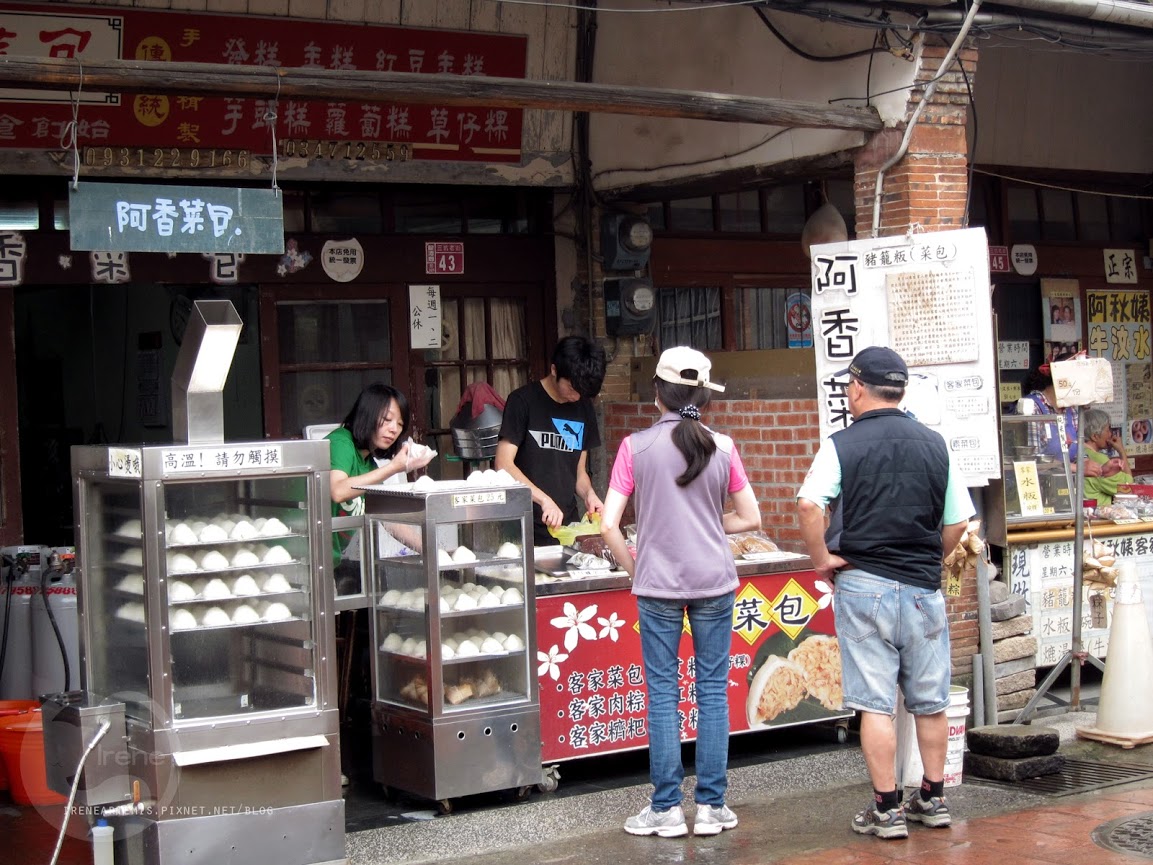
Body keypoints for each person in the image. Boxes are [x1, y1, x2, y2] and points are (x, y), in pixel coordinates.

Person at [796, 346, 974, 841]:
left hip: (863, 585)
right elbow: (958, 521)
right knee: (930, 701)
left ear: (857, 388)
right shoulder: (935, 444)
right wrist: (929, 558)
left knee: (875, 704)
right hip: (922, 589)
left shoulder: (841, 444)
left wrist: (821, 559)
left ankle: (887, 810)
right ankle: (933, 799)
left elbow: (809, 506)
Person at [599, 346, 761, 839]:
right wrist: (707, 521)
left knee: (663, 692)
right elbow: (751, 518)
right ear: (703, 397)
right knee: (712, 690)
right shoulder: (724, 447)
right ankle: (711, 807)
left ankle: (666, 808)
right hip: (715, 580)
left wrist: (635, 567)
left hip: (658, 584)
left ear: (657, 394)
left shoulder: (634, 447)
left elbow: (608, 525)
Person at [496, 335, 607, 547]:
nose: (576, 397)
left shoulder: (584, 407)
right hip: (523, 526)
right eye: (572, 388)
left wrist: (589, 495)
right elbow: (503, 464)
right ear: (554, 370)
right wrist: (544, 500)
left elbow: (579, 472)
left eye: (582, 392)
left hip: (566, 528)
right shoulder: (522, 401)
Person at [326, 383, 435, 592]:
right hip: (301, 560)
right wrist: (394, 467)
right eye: (387, 419)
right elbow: (338, 490)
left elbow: (388, 519)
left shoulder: (369, 465)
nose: (394, 429)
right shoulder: (341, 442)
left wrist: (431, 550)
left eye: (400, 424)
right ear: (367, 415)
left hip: (327, 562)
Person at [1082, 409, 1133, 507]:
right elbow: (1128, 486)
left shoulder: (1079, 452)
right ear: (1095, 436)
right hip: (1100, 512)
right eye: (1108, 430)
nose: (1110, 434)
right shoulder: (1099, 459)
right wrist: (1121, 450)